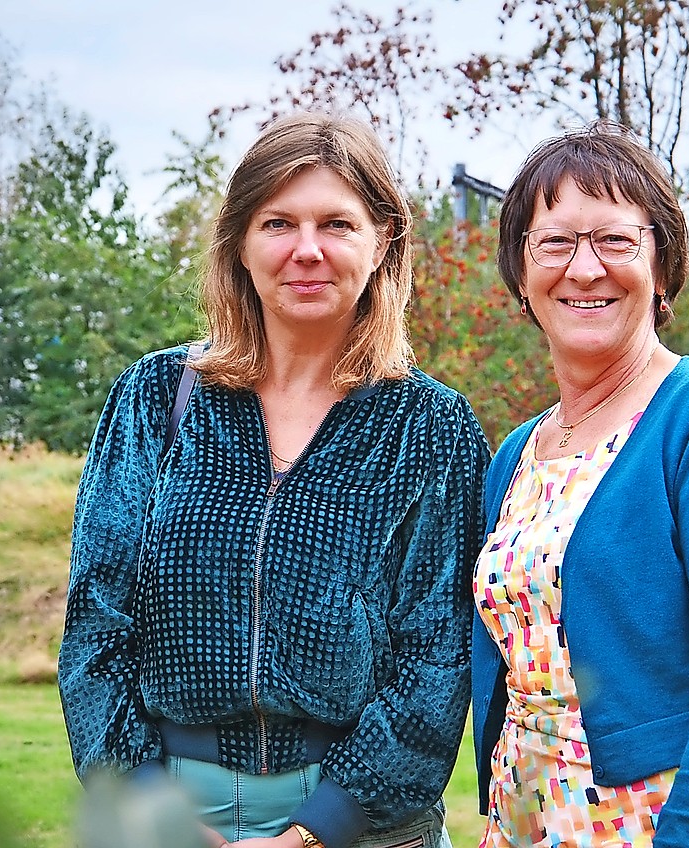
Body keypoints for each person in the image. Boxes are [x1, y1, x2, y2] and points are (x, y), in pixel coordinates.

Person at [58, 111, 489, 848]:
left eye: (337, 225)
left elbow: (438, 658)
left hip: (365, 819)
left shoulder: (431, 426)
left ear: (383, 240)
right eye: (278, 223)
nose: (308, 250)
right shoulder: (158, 398)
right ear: (240, 244)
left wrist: (313, 835)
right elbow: (96, 626)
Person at [470, 122, 689, 848]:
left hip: (665, 822)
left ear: (662, 262)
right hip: (526, 816)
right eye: (554, 242)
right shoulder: (518, 452)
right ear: (521, 274)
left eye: (615, 240)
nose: (584, 269)